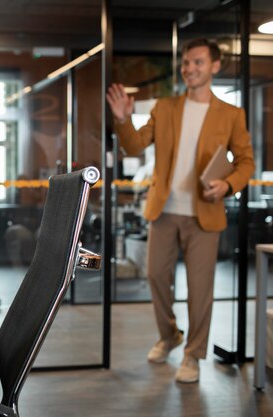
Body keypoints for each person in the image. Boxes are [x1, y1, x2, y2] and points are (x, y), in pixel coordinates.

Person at [106, 38, 254, 383]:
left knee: (200, 289)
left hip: (206, 212)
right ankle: (170, 334)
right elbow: (134, 146)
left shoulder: (231, 114)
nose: (190, 68)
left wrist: (228, 184)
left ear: (215, 66)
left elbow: (246, 162)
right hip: (165, 210)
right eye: (186, 63)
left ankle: (193, 355)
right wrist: (123, 120)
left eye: (198, 62)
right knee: (156, 276)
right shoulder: (165, 107)